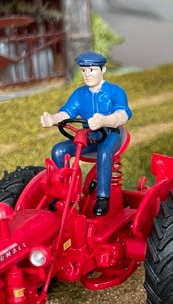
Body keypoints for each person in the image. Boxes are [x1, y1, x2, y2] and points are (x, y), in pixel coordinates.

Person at [40, 51, 131, 216]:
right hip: (90, 135)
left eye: (92, 70)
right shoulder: (80, 94)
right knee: (59, 150)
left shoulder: (115, 91)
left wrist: (104, 120)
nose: (87, 74)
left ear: (102, 70)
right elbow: (67, 113)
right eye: (83, 70)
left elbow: (123, 114)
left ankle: (103, 197)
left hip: (111, 133)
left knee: (104, 152)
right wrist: (53, 119)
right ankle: (64, 194)